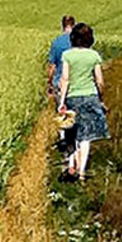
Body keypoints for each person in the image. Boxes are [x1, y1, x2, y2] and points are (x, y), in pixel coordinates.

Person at [55, 23, 108, 181]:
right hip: (90, 96)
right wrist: (101, 98)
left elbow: (65, 79)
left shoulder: (67, 55)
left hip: (72, 97)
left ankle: (71, 165)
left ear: (73, 38)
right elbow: (100, 81)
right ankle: (82, 172)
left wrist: (62, 101)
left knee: (72, 132)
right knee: (86, 137)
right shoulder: (94, 56)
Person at [45, 16, 77, 154]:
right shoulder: (77, 41)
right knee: (74, 112)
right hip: (75, 82)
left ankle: (64, 141)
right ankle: (74, 143)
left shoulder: (56, 42)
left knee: (61, 112)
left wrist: (49, 83)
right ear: (73, 25)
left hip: (59, 82)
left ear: (63, 25)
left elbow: (52, 66)